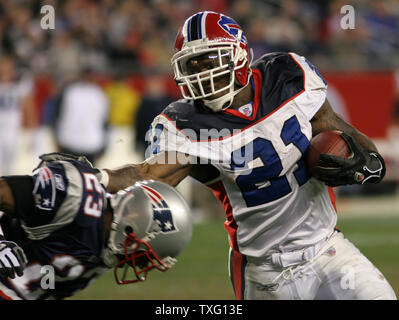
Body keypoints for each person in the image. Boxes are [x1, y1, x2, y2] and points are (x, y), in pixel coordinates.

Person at [96, 11, 396, 300]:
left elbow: (343, 132)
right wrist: (98, 178)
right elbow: (147, 176)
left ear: (238, 55)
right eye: (193, 66)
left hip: (327, 250)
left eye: (208, 61)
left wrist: (368, 163)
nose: (202, 74)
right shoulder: (187, 122)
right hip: (263, 271)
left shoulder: (287, 76)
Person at [0, 153, 193, 300]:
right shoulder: (74, 196)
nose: (142, 266)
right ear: (131, 227)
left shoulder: (106, 252)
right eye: (143, 255)